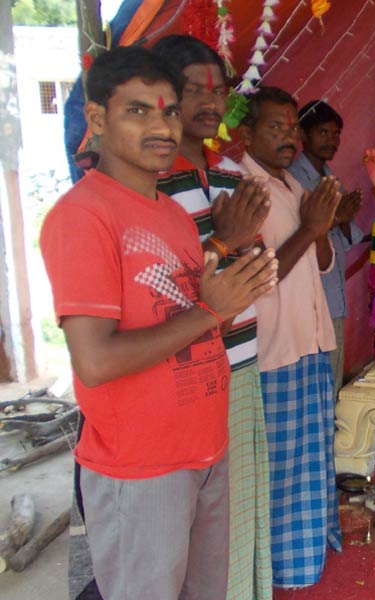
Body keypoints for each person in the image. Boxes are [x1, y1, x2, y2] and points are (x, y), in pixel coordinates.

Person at [39, 46, 278, 599]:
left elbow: (181, 318)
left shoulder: (169, 214)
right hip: (141, 469)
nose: (162, 125)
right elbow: (96, 362)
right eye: (138, 111)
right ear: (97, 120)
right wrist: (212, 309)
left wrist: (233, 286)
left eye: (169, 111)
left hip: (204, 447)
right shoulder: (83, 217)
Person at [151, 34, 274, 600]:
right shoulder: (151, 179)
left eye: (217, 89)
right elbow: (162, 284)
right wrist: (225, 245)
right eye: (192, 88)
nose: (208, 101)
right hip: (186, 372)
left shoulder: (229, 173)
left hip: (242, 362)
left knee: (239, 508)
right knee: (190, 533)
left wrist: (247, 254)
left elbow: (253, 266)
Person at [237, 86, 343, 588]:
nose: (289, 138)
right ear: (247, 132)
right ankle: (281, 568)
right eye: (274, 128)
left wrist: (319, 224)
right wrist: (313, 224)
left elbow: (322, 263)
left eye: (291, 128)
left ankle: (308, 552)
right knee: (281, 467)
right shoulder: (242, 188)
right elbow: (259, 275)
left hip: (310, 340)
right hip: (275, 348)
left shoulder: (290, 186)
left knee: (312, 453)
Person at [288, 100, 363, 396]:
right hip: (308, 297)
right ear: (303, 136)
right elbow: (297, 232)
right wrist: (336, 217)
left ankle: (327, 432)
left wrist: (342, 218)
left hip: (333, 294)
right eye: (323, 133)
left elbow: (346, 240)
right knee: (313, 381)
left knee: (332, 374)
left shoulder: (331, 179)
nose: (331, 140)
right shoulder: (293, 178)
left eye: (335, 134)